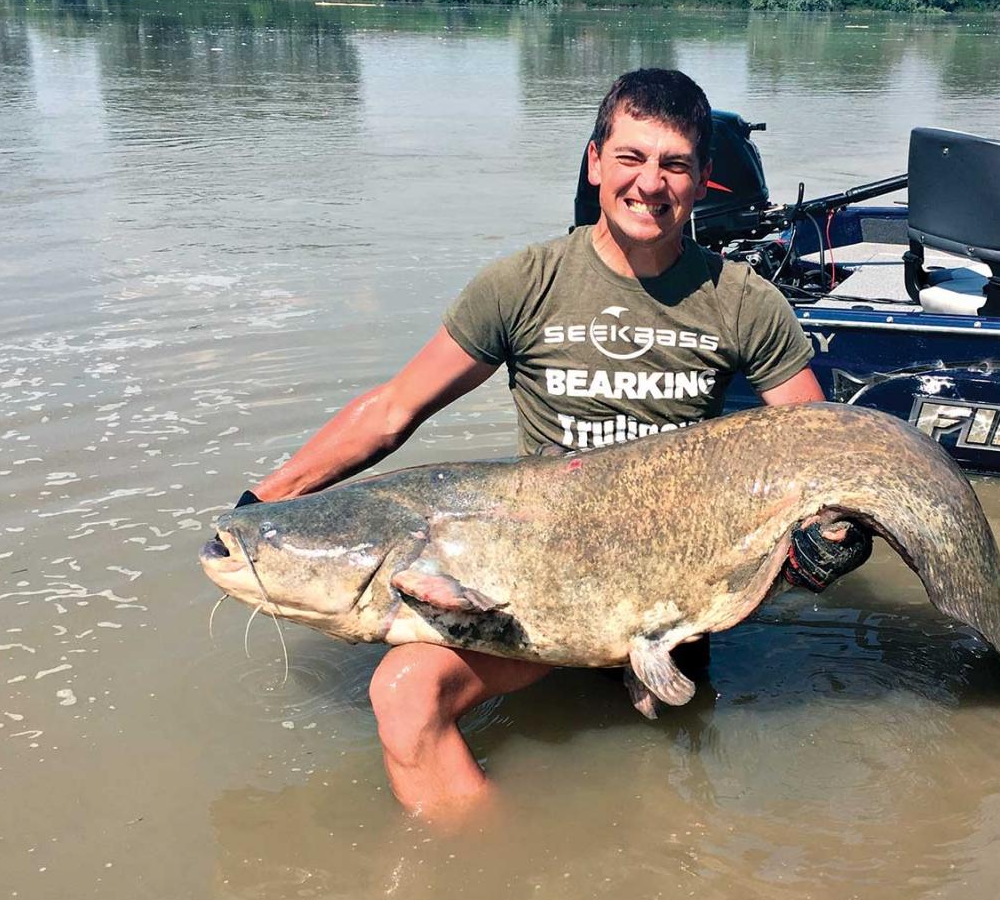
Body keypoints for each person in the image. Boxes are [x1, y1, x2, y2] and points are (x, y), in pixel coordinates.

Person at [241, 68, 865, 823]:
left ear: (703, 180)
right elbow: (393, 409)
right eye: (630, 157)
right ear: (595, 161)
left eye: (673, 165)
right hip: (527, 593)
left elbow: (825, 451)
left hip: (669, 600)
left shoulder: (741, 301)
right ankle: (488, 874)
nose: (649, 184)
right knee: (404, 694)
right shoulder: (524, 284)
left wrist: (825, 542)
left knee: (668, 805)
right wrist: (265, 504)